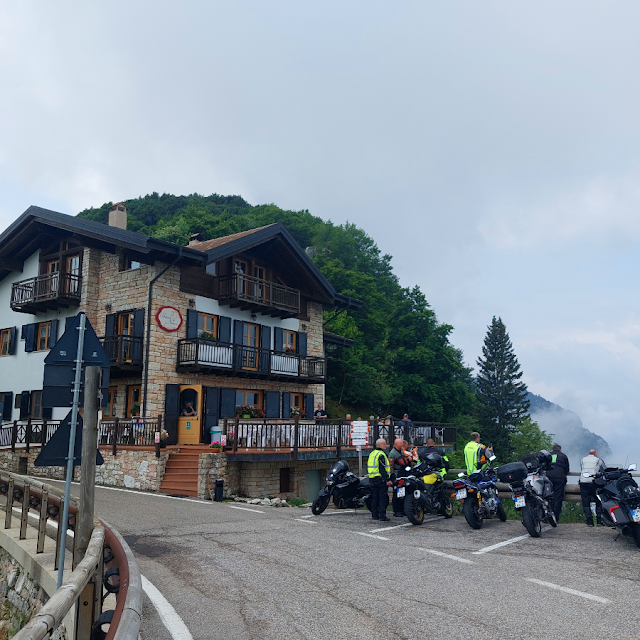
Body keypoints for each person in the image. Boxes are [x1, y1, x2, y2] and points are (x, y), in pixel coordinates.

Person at [579, 449, 606, 526]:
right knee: (598, 500)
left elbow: (582, 468)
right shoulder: (598, 460)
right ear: (595, 454)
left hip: (583, 481)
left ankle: (589, 521)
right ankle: (599, 521)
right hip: (594, 481)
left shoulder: (583, 459)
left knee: (585, 501)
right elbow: (603, 470)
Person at [367, 438, 391, 521]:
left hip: (372, 478)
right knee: (382, 497)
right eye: (384, 444)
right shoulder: (381, 454)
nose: (386, 445)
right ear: (380, 445)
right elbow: (382, 468)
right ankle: (382, 515)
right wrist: (387, 479)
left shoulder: (372, 453)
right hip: (380, 479)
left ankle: (374, 514)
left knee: (375, 497)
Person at [388, 439, 413, 517]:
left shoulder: (402, 451)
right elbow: (390, 466)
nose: (402, 444)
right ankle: (397, 510)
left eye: (402, 442)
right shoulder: (392, 453)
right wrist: (392, 477)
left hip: (404, 473)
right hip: (397, 474)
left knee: (404, 492)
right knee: (397, 493)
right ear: (396, 444)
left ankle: (403, 509)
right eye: (400, 443)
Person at [546, 443, 570, 521]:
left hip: (548, 477)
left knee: (548, 496)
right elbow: (567, 469)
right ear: (560, 449)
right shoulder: (563, 456)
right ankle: (555, 517)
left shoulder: (548, 455)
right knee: (558, 497)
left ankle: (547, 515)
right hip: (559, 478)